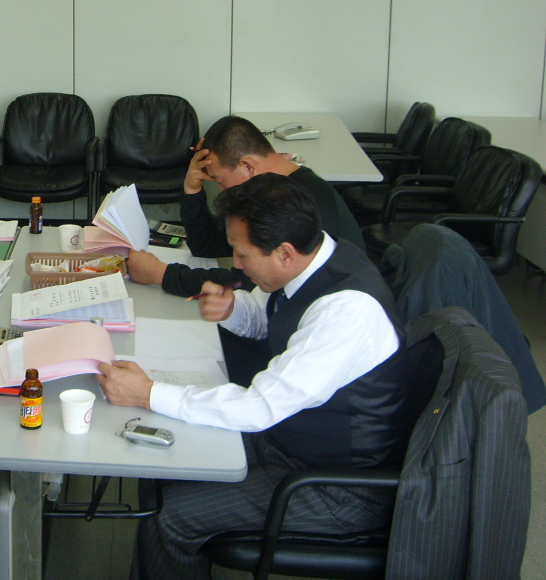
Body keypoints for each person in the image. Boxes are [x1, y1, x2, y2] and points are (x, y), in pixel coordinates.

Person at [97, 174, 411, 580]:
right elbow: (267, 319)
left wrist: (148, 393)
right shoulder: (314, 257)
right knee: (158, 459)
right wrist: (233, 310)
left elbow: (260, 407)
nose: (237, 265)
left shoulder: (346, 313)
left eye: (242, 255)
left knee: (168, 517)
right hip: (289, 441)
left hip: (337, 489)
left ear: (284, 253)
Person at [127, 115, 364, 298]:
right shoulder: (266, 194)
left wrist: (161, 274)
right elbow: (209, 247)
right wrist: (192, 188)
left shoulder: (298, 203)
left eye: (220, 180)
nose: (222, 190)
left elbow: (249, 283)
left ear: (248, 167)